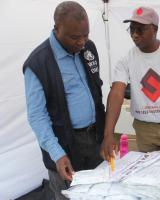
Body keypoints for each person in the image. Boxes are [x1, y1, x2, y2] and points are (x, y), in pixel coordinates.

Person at [23, 1, 105, 199]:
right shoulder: (38, 63)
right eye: (75, 37)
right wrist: (57, 154)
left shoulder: (88, 48)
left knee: (101, 192)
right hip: (66, 145)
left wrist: (105, 133)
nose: (82, 42)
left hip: (94, 139)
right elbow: (37, 115)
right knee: (69, 195)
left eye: (86, 35)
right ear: (57, 29)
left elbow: (96, 90)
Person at [101, 6, 160, 161]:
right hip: (144, 129)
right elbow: (116, 94)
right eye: (132, 29)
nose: (135, 35)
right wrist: (108, 134)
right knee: (149, 172)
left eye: (140, 30)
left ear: (154, 29)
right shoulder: (126, 60)